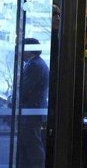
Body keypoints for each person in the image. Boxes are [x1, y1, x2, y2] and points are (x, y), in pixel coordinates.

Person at [18, 38, 49, 167]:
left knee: (33, 148)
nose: (19, 52)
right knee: (29, 147)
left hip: (30, 114)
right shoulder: (37, 63)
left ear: (29, 50)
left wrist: (10, 100)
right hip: (33, 113)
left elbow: (25, 90)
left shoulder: (34, 66)